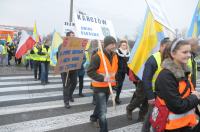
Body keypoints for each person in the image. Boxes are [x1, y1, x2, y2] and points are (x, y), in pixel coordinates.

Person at [154, 38, 200, 132]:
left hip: (187, 124)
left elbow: (186, 94)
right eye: (185, 52)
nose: (189, 55)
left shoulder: (184, 71)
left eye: (189, 52)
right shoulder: (166, 76)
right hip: (173, 127)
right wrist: (195, 97)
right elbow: (177, 106)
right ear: (173, 54)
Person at [87, 36, 118, 132]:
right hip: (99, 87)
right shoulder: (98, 56)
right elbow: (90, 72)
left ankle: (93, 118)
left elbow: (114, 71)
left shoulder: (115, 56)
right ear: (105, 44)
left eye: (114, 43)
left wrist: (115, 83)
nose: (114, 45)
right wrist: (102, 78)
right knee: (103, 111)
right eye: (111, 44)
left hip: (109, 86)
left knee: (100, 106)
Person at [141, 37, 171, 132]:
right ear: (161, 46)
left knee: (157, 114)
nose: (169, 50)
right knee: (153, 114)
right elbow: (146, 79)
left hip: (165, 93)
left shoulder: (170, 58)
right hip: (154, 93)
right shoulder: (153, 59)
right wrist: (150, 97)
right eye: (167, 47)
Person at [59, 31, 78, 109]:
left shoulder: (77, 45)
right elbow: (59, 57)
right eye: (72, 35)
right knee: (66, 85)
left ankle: (70, 95)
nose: (73, 36)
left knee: (74, 83)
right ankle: (66, 101)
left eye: (74, 35)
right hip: (65, 69)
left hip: (74, 68)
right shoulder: (62, 45)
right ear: (67, 37)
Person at [115, 40, 130, 104]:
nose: (124, 46)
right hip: (117, 70)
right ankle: (115, 97)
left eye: (125, 45)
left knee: (120, 85)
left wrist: (128, 71)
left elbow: (128, 63)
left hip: (124, 71)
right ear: (120, 45)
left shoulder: (128, 53)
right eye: (123, 45)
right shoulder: (117, 52)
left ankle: (117, 97)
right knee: (118, 84)